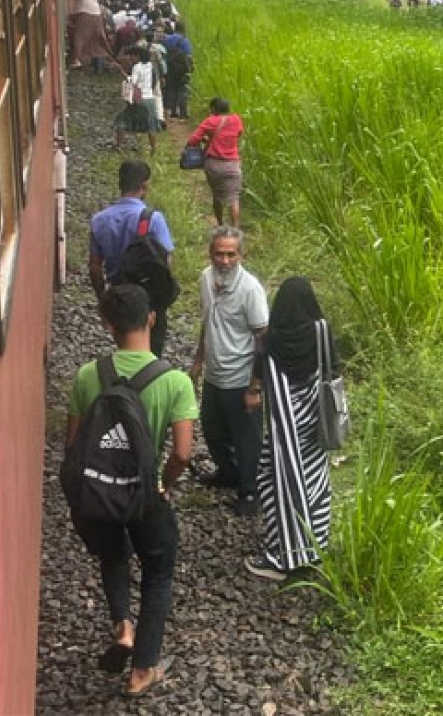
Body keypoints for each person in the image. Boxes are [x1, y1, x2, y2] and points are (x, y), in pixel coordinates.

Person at [66, 284, 196, 698]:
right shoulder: (175, 382)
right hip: (145, 497)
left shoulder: (90, 375)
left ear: (107, 324)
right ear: (151, 319)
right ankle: (142, 669)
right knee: (157, 573)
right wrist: (164, 484)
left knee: (113, 555)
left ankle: (123, 625)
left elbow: (73, 446)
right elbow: (182, 453)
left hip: (99, 494)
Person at [247, 277, 334, 581]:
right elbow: (333, 369)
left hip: (285, 428)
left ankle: (282, 557)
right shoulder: (322, 331)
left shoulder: (273, 340)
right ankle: (316, 548)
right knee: (315, 483)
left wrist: (253, 391)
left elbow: (260, 373)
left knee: (276, 482)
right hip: (316, 425)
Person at [189, 227, 269, 517]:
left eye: (230, 254)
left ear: (240, 255)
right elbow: (207, 320)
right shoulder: (205, 278)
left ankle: (249, 490)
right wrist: (199, 359)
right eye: (219, 254)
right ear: (210, 253)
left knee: (246, 439)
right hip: (214, 374)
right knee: (212, 429)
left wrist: (255, 387)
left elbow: (263, 340)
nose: (224, 261)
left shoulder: (250, 290)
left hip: (240, 377)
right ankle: (228, 473)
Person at [89, 160, 175, 357]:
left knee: (125, 347)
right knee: (152, 351)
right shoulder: (153, 218)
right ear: (144, 186)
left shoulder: (99, 220)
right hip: (149, 294)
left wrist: (102, 297)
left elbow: (95, 267)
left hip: (119, 294)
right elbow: (167, 260)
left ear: (120, 184)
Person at [186, 97, 245, 227]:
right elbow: (238, 133)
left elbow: (193, 140)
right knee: (234, 198)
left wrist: (204, 141)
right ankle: (235, 229)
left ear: (213, 109)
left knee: (217, 196)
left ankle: (220, 224)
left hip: (214, 165)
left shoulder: (210, 121)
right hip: (233, 165)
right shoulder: (236, 119)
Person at [63, 0, 113, 72]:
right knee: (94, 39)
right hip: (90, 13)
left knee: (80, 37)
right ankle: (95, 62)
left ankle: (78, 60)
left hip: (88, 13)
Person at [115, 45, 158, 154]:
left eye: (132, 56)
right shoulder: (149, 65)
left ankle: (118, 146)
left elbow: (132, 81)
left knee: (122, 120)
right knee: (151, 124)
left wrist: (120, 70)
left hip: (139, 99)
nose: (130, 59)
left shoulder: (137, 67)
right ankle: (153, 148)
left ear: (138, 56)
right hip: (150, 99)